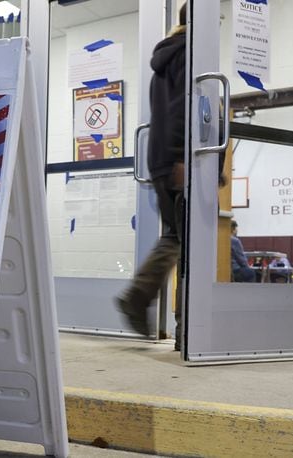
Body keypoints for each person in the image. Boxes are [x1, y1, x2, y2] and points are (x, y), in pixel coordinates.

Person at [114, 3, 188, 347]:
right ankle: (179, 324)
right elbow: (182, 111)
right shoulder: (189, 54)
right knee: (185, 241)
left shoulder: (166, 58)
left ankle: (148, 302)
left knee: (176, 236)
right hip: (179, 161)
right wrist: (183, 158)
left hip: (162, 159)